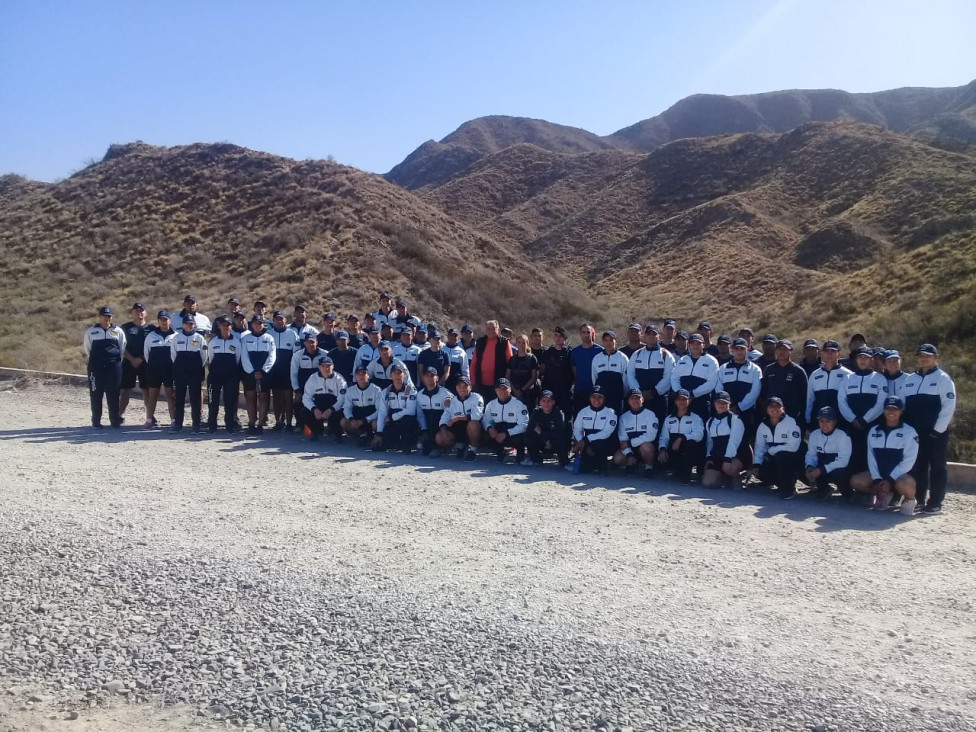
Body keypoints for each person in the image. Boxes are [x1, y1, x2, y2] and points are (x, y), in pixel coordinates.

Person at [902, 343, 957, 514]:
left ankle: (935, 502)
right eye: (921, 355)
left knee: (938, 467)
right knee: (918, 466)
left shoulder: (943, 379)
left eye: (928, 355)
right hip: (915, 433)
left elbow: (949, 406)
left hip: (935, 433)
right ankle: (918, 499)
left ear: (936, 357)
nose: (924, 358)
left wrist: (937, 430)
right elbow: (903, 406)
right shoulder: (910, 380)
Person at [850, 396, 919, 514]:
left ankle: (910, 500)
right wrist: (877, 479)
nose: (891, 412)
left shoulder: (909, 432)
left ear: (901, 411)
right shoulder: (874, 430)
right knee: (856, 481)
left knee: (906, 484)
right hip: (880, 474)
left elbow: (909, 460)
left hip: (900, 476)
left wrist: (890, 480)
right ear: (883, 410)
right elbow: (871, 457)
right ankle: (884, 494)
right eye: (888, 408)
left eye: (895, 409)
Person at [837, 346, 887, 473]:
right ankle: (855, 485)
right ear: (856, 360)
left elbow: (881, 402)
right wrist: (852, 419)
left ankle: (870, 486)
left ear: (871, 360)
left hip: (873, 424)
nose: (863, 360)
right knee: (853, 453)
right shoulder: (847, 378)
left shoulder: (880, 379)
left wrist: (865, 419)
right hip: (852, 424)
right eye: (860, 357)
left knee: (872, 454)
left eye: (866, 358)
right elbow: (842, 401)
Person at [83, 306, 126, 429]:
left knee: (113, 393)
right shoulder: (91, 331)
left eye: (109, 316)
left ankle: (115, 421)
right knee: (96, 393)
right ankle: (96, 421)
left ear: (111, 317)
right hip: (96, 367)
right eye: (104, 316)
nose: (106, 318)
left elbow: (122, 347)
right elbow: (88, 348)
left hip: (114, 367)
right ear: (99, 317)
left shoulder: (118, 331)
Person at [752, 397, 804, 499]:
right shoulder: (762, 425)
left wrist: (771, 451)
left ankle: (789, 489)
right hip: (774, 458)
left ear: (783, 408)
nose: (774, 409)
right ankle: (782, 485)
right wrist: (757, 464)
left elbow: (793, 447)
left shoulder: (792, 422)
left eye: (777, 406)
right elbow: (760, 447)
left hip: (796, 460)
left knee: (782, 457)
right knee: (761, 471)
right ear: (767, 409)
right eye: (771, 406)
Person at [626, 324, 675, 426]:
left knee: (659, 427)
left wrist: (654, 392)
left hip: (659, 399)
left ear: (659, 336)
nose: (651, 336)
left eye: (654, 334)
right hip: (640, 399)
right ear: (644, 335)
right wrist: (638, 392)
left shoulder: (666, 355)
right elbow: (630, 374)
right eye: (649, 334)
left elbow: (669, 376)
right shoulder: (637, 354)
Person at [717, 338, 762, 445]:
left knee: (746, 442)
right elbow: (719, 389)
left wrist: (740, 407)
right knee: (726, 439)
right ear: (732, 350)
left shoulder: (755, 369)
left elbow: (755, 391)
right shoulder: (723, 368)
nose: (739, 351)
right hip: (726, 411)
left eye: (742, 349)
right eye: (736, 348)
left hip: (746, 412)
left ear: (747, 350)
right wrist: (726, 406)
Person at [656, 390, 705, 484]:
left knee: (691, 445)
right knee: (661, 458)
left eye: (684, 399)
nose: (681, 402)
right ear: (675, 401)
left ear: (689, 401)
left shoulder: (696, 418)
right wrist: (662, 450)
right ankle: (676, 472)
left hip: (689, 451)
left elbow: (699, 435)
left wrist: (682, 438)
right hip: (674, 450)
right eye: (679, 399)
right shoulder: (669, 419)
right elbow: (664, 437)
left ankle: (686, 476)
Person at [804, 406, 853, 501]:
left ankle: (847, 493)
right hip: (822, 466)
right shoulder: (814, 434)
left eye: (828, 421)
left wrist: (821, 470)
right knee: (805, 469)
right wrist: (809, 467)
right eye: (821, 421)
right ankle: (824, 489)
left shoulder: (843, 436)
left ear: (834, 422)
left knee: (839, 473)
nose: (824, 424)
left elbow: (843, 461)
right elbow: (811, 454)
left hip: (838, 468)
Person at [169, 314, 208, 433]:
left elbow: (204, 356)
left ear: (194, 325)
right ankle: (178, 424)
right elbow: (173, 355)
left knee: (195, 398)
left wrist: (196, 368)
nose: (189, 326)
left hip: (194, 371)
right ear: (183, 325)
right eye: (186, 324)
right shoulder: (176, 338)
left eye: (191, 324)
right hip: (180, 371)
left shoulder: (199, 338)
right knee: (179, 398)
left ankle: (195, 425)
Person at [701, 392, 747, 490]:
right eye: (719, 402)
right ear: (714, 403)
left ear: (730, 403)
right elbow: (710, 442)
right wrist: (709, 457)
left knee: (730, 468)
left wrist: (727, 459)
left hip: (736, 455)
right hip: (718, 456)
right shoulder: (710, 421)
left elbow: (734, 441)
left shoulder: (735, 419)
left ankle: (736, 477)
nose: (721, 405)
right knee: (707, 483)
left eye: (724, 402)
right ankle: (725, 478)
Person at [570, 386, 618, 475]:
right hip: (586, 442)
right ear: (589, 398)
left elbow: (606, 433)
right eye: (593, 397)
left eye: (600, 397)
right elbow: (577, 429)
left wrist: (586, 440)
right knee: (584, 469)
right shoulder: (583, 412)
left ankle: (603, 464)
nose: (596, 400)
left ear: (604, 398)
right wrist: (583, 442)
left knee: (599, 444)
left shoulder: (611, 413)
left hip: (604, 442)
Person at [670, 333, 719, 421]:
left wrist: (692, 394)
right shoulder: (682, 360)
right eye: (693, 343)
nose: (695, 346)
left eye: (698, 343)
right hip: (682, 402)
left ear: (703, 345)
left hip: (701, 401)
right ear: (688, 345)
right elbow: (674, 378)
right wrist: (681, 394)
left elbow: (711, 383)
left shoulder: (711, 361)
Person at [240, 315, 276, 434]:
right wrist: (251, 371)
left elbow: (272, 356)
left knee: (263, 398)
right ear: (252, 325)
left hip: (264, 373)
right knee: (250, 398)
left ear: (263, 324)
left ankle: (260, 424)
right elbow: (243, 355)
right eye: (255, 323)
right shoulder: (246, 338)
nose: (257, 325)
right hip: (249, 372)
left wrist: (263, 371)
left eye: (260, 323)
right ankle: (251, 423)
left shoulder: (269, 338)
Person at [373, 361, 419, 453]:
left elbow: (411, 411)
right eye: (395, 373)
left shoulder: (411, 390)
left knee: (407, 420)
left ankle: (408, 443)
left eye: (400, 373)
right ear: (391, 375)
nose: (397, 376)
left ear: (404, 375)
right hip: (392, 422)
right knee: (382, 447)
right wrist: (379, 433)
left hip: (406, 422)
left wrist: (391, 417)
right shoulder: (385, 392)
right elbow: (382, 412)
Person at [761, 340, 808, 428]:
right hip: (772, 416)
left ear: (791, 352)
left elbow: (805, 395)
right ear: (775, 351)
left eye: (785, 350)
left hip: (792, 415)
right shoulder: (769, 369)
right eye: (779, 349)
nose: (782, 352)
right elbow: (763, 392)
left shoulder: (798, 371)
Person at [206, 316, 242, 433]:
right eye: (223, 325)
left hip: (231, 376)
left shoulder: (236, 342)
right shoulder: (214, 341)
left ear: (231, 327)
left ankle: (230, 425)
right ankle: (212, 425)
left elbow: (237, 358)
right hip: (215, 375)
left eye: (228, 325)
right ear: (219, 326)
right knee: (213, 401)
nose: (225, 327)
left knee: (230, 401)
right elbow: (210, 358)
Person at [436, 376, 484, 461]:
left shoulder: (477, 397)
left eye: (465, 386)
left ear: (470, 387)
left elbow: (477, 415)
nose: (462, 389)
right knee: (439, 438)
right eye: (459, 386)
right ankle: (459, 446)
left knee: (473, 424)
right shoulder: (452, 401)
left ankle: (472, 450)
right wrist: (443, 430)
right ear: (456, 388)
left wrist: (458, 418)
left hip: (474, 430)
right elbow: (445, 417)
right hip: (458, 430)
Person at [482, 377, 530, 464]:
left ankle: (520, 455)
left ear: (510, 389)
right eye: (499, 389)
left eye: (505, 388)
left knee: (521, 436)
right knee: (486, 434)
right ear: (495, 390)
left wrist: (506, 433)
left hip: (513, 433)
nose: (502, 391)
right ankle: (501, 453)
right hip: (498, 430)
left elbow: (524, 425)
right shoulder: (491, 404)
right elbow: (486, 420)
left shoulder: (519, 404)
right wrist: (490, 428)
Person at [612, 389, 659, 476]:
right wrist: (629, 455)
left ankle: (649, 468)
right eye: (632, 398)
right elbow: (623, 440)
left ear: (642, 400)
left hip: (645, 448)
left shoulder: (650, 414)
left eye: (637, 398)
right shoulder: (624, 417)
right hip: (630, 449)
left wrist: (630, 442)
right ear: (628, 401)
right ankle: (632, 463)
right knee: (617, 459)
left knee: (646, 447)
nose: (635, 401)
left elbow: (651, 436)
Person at [142, 310, 177, 427]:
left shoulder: (175, 336)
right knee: (152, 395)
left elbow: (177, 354)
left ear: (170, 321)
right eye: (161, 319)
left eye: (166, 319)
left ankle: (173, 420)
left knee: (170, 395)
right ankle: (149, 419)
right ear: (158, 321)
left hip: (170, 370)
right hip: (154, 370)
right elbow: (146, 353)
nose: (163, 322)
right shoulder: (151, 336)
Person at [805, 340, 852, 425]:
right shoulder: (815, 375)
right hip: (819, 422)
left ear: (839, 353)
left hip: (841, 421)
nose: (829, 354)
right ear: (822, 353)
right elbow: (810, 399)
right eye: (826, 351)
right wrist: (808, 419)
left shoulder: (848, 374)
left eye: (833, 351)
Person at [300, 356, 347, 442]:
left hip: (333, 405)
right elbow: (306, 398)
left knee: (341, 413)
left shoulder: (340, 380)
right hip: (318, 404)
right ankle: (317, 431)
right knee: (304, 412)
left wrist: (331, 410)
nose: (326, 368)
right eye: (323, 366)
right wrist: (314, 409)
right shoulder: (312, 378)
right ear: (319, 367)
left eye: (328, 366)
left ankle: (337, 433)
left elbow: (342, 399)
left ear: (333, 366)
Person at [119, 302, 152, 422]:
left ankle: (150, 416)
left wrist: (141, 359)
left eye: (142, 310)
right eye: (136, 311)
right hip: (128, 362)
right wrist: (132, 359)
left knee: (146, 389)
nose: (139, 313)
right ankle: (120, 415)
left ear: (146, 313)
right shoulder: (125, 328)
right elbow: (121, 346)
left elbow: (151, 347)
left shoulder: (151, 329)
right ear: (132, 313)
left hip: (145, 363)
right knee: (125, 390)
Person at [269, 311, 301, 431]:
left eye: (281, 319)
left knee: (288, 398)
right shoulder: (269, 334)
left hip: (288, 370)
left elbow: (296, 354)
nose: (279, 321)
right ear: (273, 321)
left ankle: (288, 423)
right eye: (276, 319)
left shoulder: (292, 334)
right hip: (274, 371)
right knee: (277, 397)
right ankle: (278, 421)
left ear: (285, 321)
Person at [471, 320, 514, 404]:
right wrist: (473, 381)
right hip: (481, 383)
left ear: (498, 329)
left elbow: (510, 363)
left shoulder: (504, 342)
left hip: (499, 384)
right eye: (488, 329)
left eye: (493, 328)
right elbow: (474, 363)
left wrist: (508, 381)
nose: (491, 331)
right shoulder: (480, 342)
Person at [524, 390, 570, 467]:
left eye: (549, 401)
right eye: (543, 400)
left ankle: (564, 461)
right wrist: (545, 439)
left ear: (553, 402)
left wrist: (543, 435)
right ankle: (536, 459)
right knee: (528, 436)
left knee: (563, 439)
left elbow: (561, 432)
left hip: (555, 441)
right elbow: (530, 429)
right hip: (543, 441)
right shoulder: (536, 412)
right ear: (540, 402)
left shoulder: (558, 413)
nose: (546, 403)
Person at [341, 366, 384, 444]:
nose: (361, 376)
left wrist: (365, 420)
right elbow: (347, 407)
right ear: (355, 376)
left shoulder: (376, 390)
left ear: (368, 375)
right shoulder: (350, 390)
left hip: (371, 417)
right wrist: (351, 419)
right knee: (343, 422)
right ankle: (362, 434)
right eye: (358, 374)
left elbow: (380, 410)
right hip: (357, 416)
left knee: (376, 424)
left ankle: (374, 436)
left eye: (363, 374)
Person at [590, 330, 629, 415]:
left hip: (617, 399)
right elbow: (594, 378)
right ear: (603, 342)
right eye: (606, 340)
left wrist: (623, 395)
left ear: (616, 341)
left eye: (611, 340)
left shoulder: (622, 358)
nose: (608, 343)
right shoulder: (597, 358)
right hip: (601, 400)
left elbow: (626, 380)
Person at [416, 367, 453, 456]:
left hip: (441, 425)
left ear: (437, 378)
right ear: (423, 378)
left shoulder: (446, 393)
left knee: (433, 415)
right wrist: (424, 429)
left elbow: (450, 411)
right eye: (427, 376)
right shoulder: (419, 395)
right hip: (426, 424)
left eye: (432, 376)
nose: (429, 378)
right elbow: (420, 414)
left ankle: (436, 447)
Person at [539, 326, 573, 419]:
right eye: (556, 335)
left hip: (564, 391)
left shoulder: (570, 353)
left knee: (566, 417)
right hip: (550, 390)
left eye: (561, 336)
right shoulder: (547, 353)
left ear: (565, 338)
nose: (558, 338)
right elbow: (542, 370)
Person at [569, 323, 600, 416]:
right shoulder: (575, 352)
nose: (586, 334)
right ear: (580, 334)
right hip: (580, 391)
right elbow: (575, 371)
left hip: (596, 392)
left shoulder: (600, 351)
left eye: (588, 332)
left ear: (592, 334)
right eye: (583, 332)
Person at [291, 333, 329, 399]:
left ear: (316, 342)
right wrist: (296, 389)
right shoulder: (297, 355)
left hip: (320, 385)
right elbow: (293, 373)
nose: (311, 344)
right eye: (308, 342)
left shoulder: (325, 354)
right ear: (304, 343)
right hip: (303, 385)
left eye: (312, 342)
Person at [507, 334, 540, 410]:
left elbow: (534, 378)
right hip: (514, 392)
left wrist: (522, 390)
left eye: (523, 342)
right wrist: (515, 391)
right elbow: (507, 376)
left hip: (529, 393)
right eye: (519, 342)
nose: (521, 345)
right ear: (516, 343)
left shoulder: (532, 358)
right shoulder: (512, 359)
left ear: (527, 343)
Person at [441, 328, 469, 394]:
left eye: (455, 336)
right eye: (451, 335)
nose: (452, 338)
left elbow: (465, 370)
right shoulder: (442, 350)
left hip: (456, 384)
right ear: (447, 336)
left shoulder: (461, 352)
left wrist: (467, 384)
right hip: (442, 382)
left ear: (458, 338)